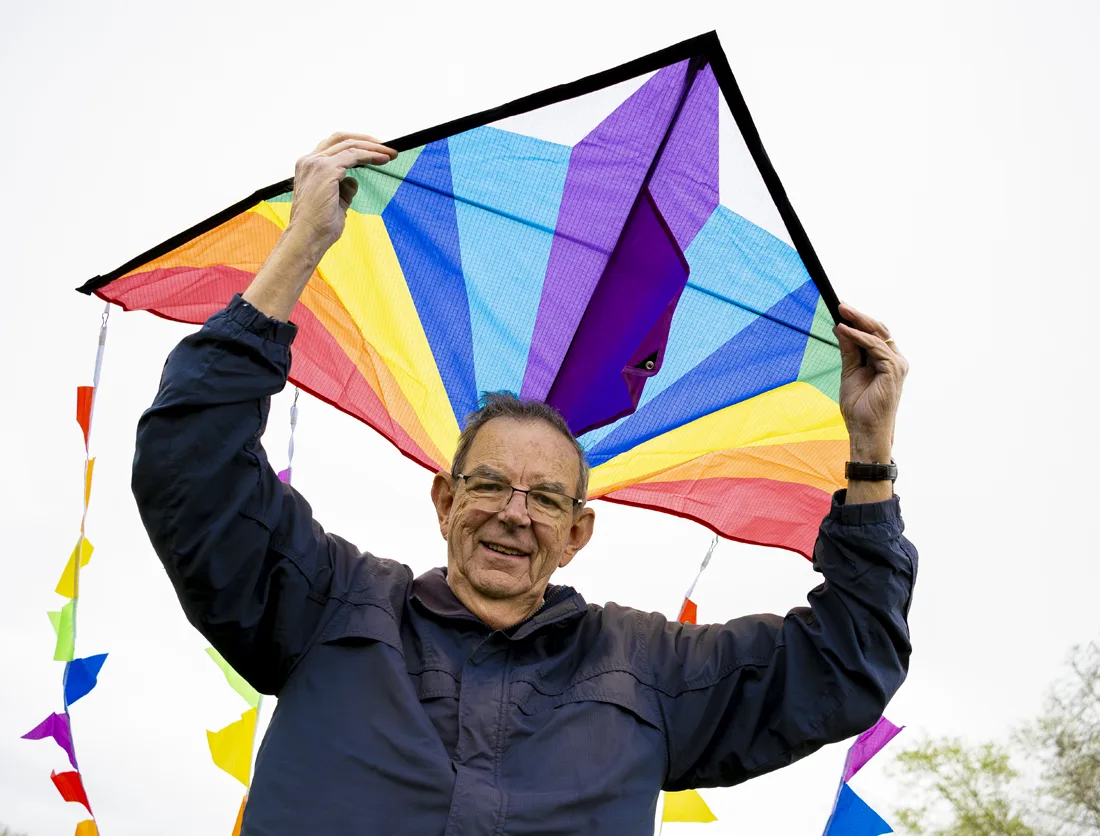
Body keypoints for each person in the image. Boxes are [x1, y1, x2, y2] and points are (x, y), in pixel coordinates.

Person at [132, 133, 917, 835]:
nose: (515, 513)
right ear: (445, 501)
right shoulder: (326, 603)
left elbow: (848, 663)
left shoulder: (647, 669)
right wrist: (303, 245)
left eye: (546, 498)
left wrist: (870, 451)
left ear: (578, 532)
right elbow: (190, 462)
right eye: (490, 486)